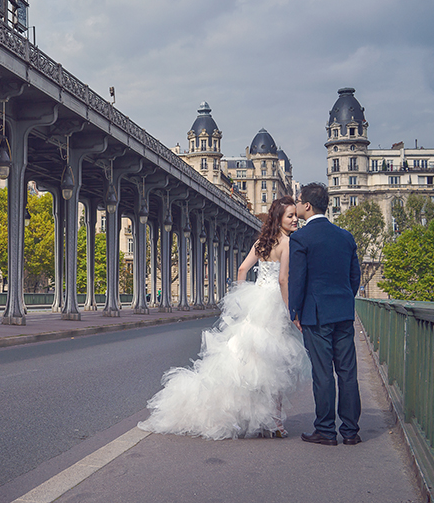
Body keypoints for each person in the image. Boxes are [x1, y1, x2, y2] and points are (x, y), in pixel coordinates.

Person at [138, 196, 309, 440]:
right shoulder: (288, 244)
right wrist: (291, 310)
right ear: (279, 218)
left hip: (256, 302)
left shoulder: (262, 241)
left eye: (295, 215)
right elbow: (283, 280)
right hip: (274, 305)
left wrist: (241, 298)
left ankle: (253, 418)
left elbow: (242, 270)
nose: (294, 220)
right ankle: (275, 423)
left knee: (247, 362)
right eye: (290, 216)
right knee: (275, 366)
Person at [289, 182, 362, 446]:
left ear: (306, 206)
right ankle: (351, 432)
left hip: (316, 315)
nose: (296, 205)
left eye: (298, 201)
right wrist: (343, 299)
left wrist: (294, 311)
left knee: (322, 373)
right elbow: (355, 277)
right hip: (343, 312)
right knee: (347, 373)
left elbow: (297, 279)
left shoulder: (301, 238)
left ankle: (326, 430)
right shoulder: (346, 237)